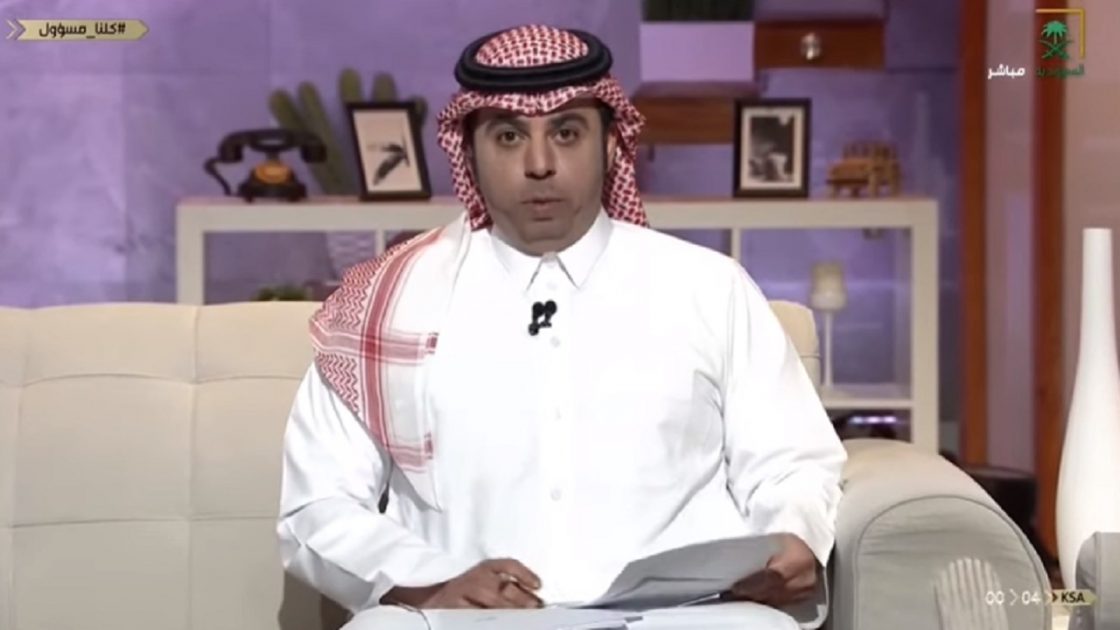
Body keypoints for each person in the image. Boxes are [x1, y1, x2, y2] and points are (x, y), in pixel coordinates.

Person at [276, 24, 846, 630]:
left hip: (685, 617)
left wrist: (792, 534)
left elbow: (790, 462)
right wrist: (431, 580)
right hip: (464, 620)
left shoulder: (709, 287)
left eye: (567, 133)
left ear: (610, 145)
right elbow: (319, 502)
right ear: (467, 150)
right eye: (508, 136)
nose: (540, 164)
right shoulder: (386, 301)